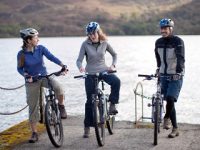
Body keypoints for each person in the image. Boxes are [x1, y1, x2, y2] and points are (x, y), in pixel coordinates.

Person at [17, 28, 68, 143]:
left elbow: (51, 57)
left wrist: (62, 65)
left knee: (59, 87)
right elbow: (19, 68)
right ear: (28, 40)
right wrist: (26, 75)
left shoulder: (41, 49)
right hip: (32, 81)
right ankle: (34, 133)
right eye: (35, 37)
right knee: (33, 107)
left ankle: (61, 105)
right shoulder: (21, 54)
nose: (38, 39)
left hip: (44, 76)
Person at [76, 22, 121, 138]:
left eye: (94, 33)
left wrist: (113, 66)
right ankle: (87, 126)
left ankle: (112, 104)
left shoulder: (105, 43)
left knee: (116, 81)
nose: (92, 36)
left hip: (104, 71)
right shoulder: (85, 44)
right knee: (89, 101)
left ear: (98, 32)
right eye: (90, 34)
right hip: (90, 73)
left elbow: (115, 55)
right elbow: (79, 60)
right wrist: (80, 67)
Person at [154, 18, 185, 138]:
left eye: (165, 28)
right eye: (162, 28)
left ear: (170, 29)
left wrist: (178, 71)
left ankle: (166, 118)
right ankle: (175, 128)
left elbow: (181, 58)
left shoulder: (178, 41)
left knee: (170, 98)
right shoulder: (158, 42)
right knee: (168, 101)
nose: (163, 30)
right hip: (163, 74)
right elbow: (157, 57)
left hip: (175, 75)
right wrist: (158, 68)